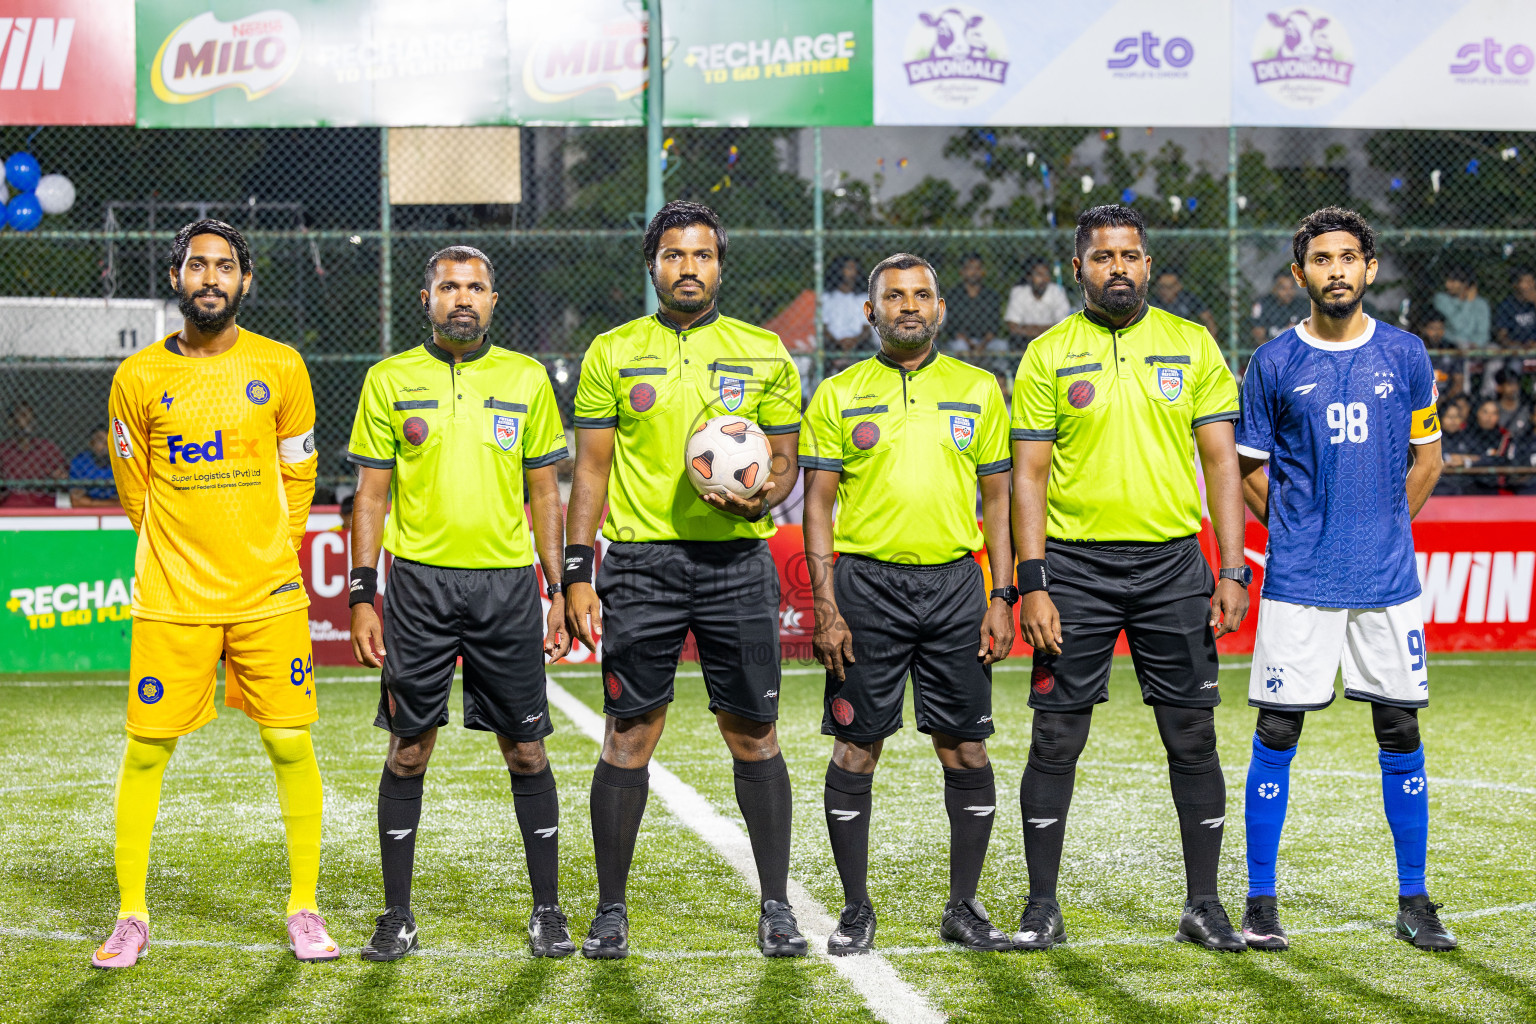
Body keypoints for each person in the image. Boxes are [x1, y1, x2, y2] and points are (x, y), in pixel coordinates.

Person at [565, 201, 806, 959]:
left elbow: (787, 463)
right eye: (674, 255)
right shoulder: (612, 351)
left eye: (702, 255)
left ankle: (776, 906)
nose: (688, 268)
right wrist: (577, 572)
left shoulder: (764, 351)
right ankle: (610, 911)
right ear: (652, 264)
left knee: (754, 733)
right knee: (629, 733)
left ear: (720, 266)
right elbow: (591, 473)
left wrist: (760, 495)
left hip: (737, 562)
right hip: (641, 566)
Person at [92, 219, 333, 968]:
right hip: (173, 598)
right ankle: (132, 913)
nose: (210, 278)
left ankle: (304, 907)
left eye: (224, 266)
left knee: (289, 741)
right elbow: (136, 491)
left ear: (245, 281)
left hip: (267, 595)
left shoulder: (283, 366)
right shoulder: (137, 378)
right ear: (175, 278)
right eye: (196, 265)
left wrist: (266, 546)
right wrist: (180, 550)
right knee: (146, 752)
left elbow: (300, 473)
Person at [1010, 204, 1250, 952]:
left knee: (1191, 734)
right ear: (1078, 266)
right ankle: (1041, 905)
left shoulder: (1192, 343)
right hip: (1075, 569)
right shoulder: (1048, 353)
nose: (1118, 266)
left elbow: (1221, 464)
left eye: (1131, 255)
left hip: (1173, 564)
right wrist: (1033, 580)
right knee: (1055, 738)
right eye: (1103, 255)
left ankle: (1203, 905)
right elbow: (1029, 475)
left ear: (1149, 265)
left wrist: (1233, 568)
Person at [1236, 207, 1456, 952]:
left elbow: (1427, 460)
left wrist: (1386, 526)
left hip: (1387, 583)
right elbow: (1246, 473)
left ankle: (1415, 899)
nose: (1336, 270)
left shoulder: (1407, 354)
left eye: (1348, 257)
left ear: (1369, 268)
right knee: (1277, 729)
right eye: (1321, 259)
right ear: (1299, 275)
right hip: (1299, 582)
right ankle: (1261, 901)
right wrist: (1299, 531)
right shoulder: (1271, 364)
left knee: (1400, 729)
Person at [346, 246, 575, 961]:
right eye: (449, 286)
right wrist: (363, 593)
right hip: (417, 586)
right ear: (427, 298)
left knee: (527, 749)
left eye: (475, 286)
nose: (462, 298)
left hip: (506, 588)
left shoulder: (526, 378)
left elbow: (545, 492)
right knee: (408, 750)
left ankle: (548, 910)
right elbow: (372, 496)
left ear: (493, 300)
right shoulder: (390, 379)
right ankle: (397, 916)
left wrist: (560, 588)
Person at [800, 252, 1016, 955]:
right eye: (894, 296)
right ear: (871, 312)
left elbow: (999, 502)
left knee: (966, 748)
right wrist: (827, 607)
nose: (909, 306)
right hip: (867, 590)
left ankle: (963, 906)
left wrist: (1002, 593)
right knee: (857, 749)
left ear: (941, 308)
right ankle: (857, 909)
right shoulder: (837, 394)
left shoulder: (980, 389)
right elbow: (819, 508)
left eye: (922, 294)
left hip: (956, 585)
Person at [0, 401, 65, 506]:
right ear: (10, 422)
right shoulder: (3, 450)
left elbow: (63, 479)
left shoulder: (48, 448)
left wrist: (58, 478)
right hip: (11, 510)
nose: (29, 419)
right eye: (23, 415)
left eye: (31, 416)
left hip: (42, 509)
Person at [944, 253, 1004, 354]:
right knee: (960, 346)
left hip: (986, 341)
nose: (974, 272)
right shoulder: (953, 295)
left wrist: (982, 345)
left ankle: (999, 370)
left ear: (983, 272)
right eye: (970, 268)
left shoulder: (992, 295)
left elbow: (994, 327)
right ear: (962, 272)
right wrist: (969, 343)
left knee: (1002, 346)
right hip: (962, 341)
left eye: (978, 268)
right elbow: (951, 326)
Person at [1004, 258, 1072, 345]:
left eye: (1046, 274)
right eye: (1039, 275)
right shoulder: (1019, 292)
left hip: (1052, 342)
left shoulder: (1057, 291)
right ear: (1029, 277)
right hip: (1024, 342)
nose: (1044, 279)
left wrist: (1025, 328)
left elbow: (1063, 326)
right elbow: (1013, 327)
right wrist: (1048, 328)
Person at [1150, 267, 1219, 338]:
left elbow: (1208, 319)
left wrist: (1210, 343)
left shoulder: (1188, 299)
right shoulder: (1153, 302)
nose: (1165, 291)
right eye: (1161, 287)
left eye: (1169, 287)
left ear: (1179, 286)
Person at [1432, 266, 1490, 351]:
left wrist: (1475, 344)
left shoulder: (1481, 304)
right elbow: (1458, 325)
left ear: (1465, 284)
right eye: (1447, 281)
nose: (1447, 285)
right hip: (1452, 344)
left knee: (1495, 354)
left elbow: (1483, 333)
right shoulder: (1441, 299)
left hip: (1477, 346)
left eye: (1452, 281)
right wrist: (1468, 302)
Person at [823, 256, 872, 355]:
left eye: (855, 269)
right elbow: (823, 327)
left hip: (858, 344)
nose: (853, 272)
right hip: (833, 343)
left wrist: (854, 341)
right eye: (849, 268)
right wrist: (838, 343)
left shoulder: (863, 298)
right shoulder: (827, 297)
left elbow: (866, 328)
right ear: (839, 270)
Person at [1250, 268, 1310, 345]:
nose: (1288, 292)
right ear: (1274, 289)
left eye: (1291, 288)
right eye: (1283, 288)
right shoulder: (1262, 304)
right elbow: (1258, 334)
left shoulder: (1303, 305)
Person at [69, 425, 119, 507]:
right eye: (100, 441)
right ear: (91, 443)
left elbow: (129, 502)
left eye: (109, 441)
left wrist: (92, 503)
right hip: (88, 512)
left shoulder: (121, 461)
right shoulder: (80, 462)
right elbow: (76, 501)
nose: (105, 445)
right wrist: (112, 504)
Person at [1493, 268, 1536, 348]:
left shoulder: (1534, 302)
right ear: (1515, 285)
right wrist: (1521, 347)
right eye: (1526, 282)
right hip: (1517, 349)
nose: (1531, 286)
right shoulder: (1507, 305)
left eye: (1532, 281)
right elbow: (1502, 336)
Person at [1492, 368, 1531, 438]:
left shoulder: (1526, 409)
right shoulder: (1493, 409)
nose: (1514, 388)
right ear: (1499, 388)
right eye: (1509, 384)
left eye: (1516, 384)